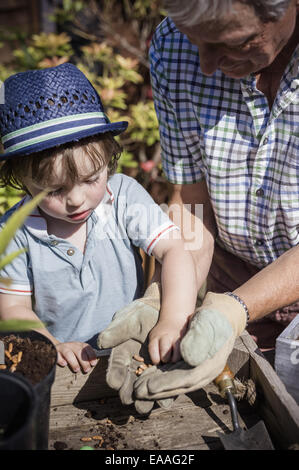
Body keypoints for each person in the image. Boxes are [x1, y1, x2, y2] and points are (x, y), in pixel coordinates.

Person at [97, 0, 299, 411]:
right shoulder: (173, 48)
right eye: (197, 41)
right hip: (230, 279)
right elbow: (192, 204)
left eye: (234, 42)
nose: (205, 65)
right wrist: (170, 299)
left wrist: (235, 310)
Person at [0, 63, 198, 376]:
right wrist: (50, 345)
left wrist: (173, 319)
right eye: (54, 189)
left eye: (91, 179)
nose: (76, 199)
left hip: (134, 350)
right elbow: (13, 308)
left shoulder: (122, 197)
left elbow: (174, 251)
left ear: (108, 159)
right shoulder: (15, 233)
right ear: (24, 181)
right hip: (67, 367)